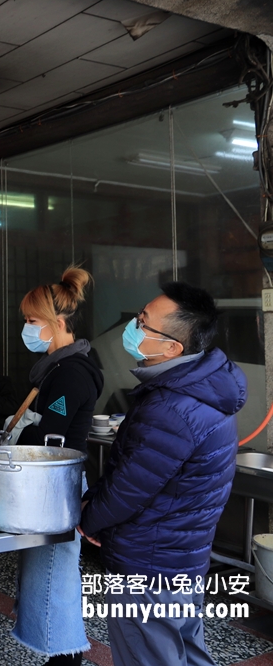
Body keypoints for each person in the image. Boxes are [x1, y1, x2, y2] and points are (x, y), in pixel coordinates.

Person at [79, 283, 245, 666]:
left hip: (150, 565)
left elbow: (129, 488)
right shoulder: (198, 389)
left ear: (173, 348)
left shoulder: (173, 406)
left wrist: (89, 521)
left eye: (143, 323)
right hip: (179, 558)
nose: (133, 327)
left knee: (150, 656)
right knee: (186, 653)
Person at [13, 266, 103, 666]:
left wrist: (15, 442)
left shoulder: (70, 373)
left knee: (53, 573)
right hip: (53, 483)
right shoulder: (61, 365)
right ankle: (61, 654)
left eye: (33, 321)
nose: (27, 328)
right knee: (50, 570)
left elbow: (52, 437)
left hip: (57, 484)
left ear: (58, 323)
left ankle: (65, 656)